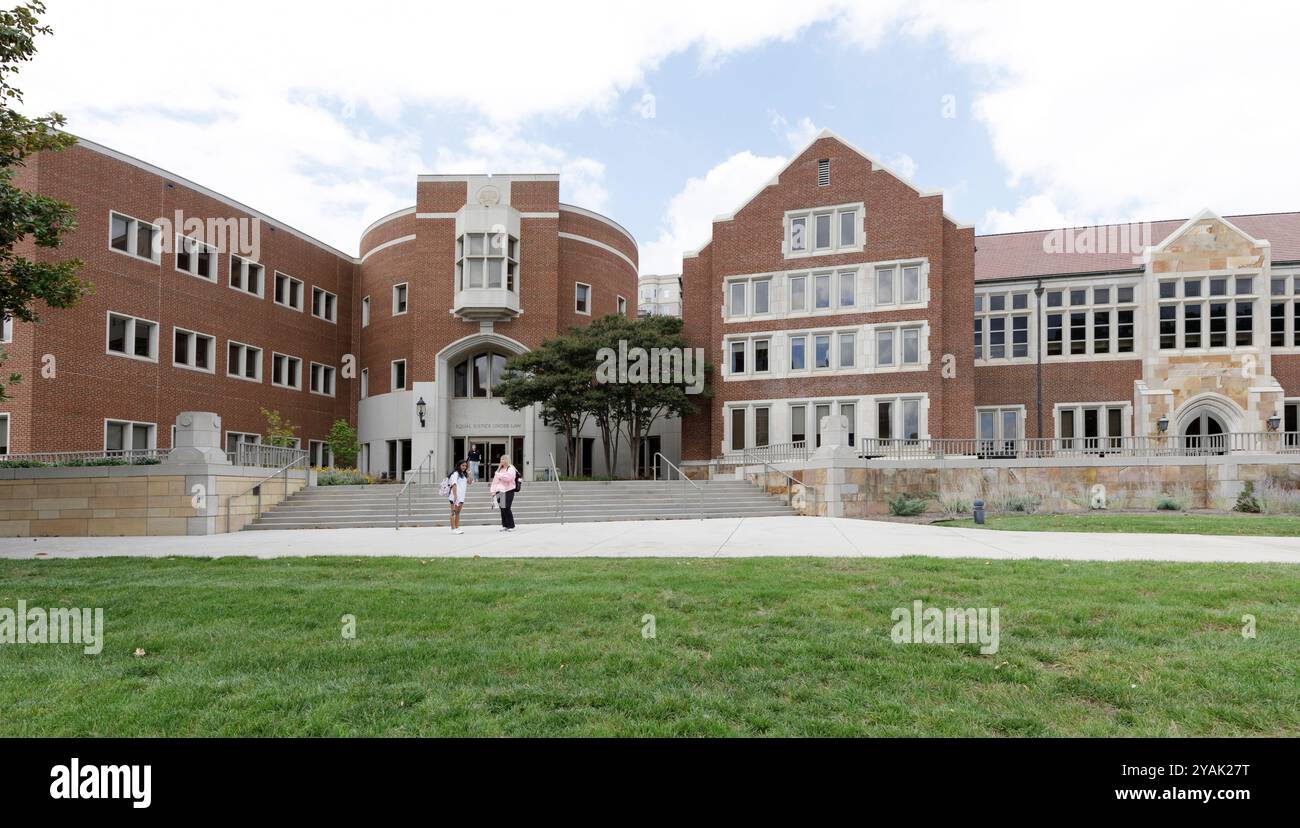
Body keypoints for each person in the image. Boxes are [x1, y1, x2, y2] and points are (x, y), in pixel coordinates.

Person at [489, 454, 519, 532]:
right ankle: (505, 525)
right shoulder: (499, 470)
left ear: (507, 460)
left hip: (509, 490)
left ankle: (511, 526)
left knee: (507, 507)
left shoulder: (511, 468)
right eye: (501, 459)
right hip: (500, 491)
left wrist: (498, 474)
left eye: (503, 459)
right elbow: (495, 481)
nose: (501, 461)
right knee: (502, 508)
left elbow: (508, 478)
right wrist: (493, 491)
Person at [447, 460, 470, 534]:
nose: (464, 467)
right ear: (459, 465)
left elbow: (470, 482)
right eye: (463, 465)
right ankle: (453, 528)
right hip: (455, 496)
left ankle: (457, 527)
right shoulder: (455, 474)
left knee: (458, 512)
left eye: (465, 466)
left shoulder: (464, 474)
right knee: (453, 512)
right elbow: (454, 484)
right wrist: (455, 496)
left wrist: (469, 473)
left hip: (461, 497)